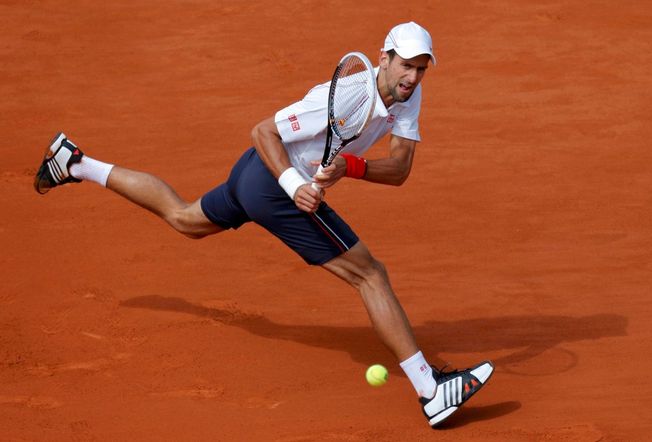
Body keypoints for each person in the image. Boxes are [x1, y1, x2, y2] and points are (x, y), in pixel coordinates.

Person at [33, 21, 493, 427]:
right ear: (384, 59)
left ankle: (76, 164)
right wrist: (295, 185)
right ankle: (430, 390)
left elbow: (400, 169)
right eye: (406, 66)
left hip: (253, 176)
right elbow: (263, 131)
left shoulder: (407, 95)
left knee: (185, 218)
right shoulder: (351, 94)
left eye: (422, 68)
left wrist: (351, 168)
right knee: (370, 274)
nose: (413, 77)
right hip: (271, 182)